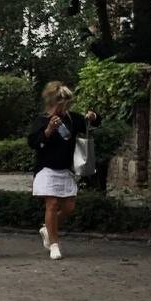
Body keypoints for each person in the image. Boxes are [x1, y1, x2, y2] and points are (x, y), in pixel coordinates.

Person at [28, 82, 98, 260]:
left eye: (69, 102)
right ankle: (54, 244)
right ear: (54, 102)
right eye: (64, 103)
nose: (67, 106)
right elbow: (34, 143)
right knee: (51, 205)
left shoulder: (72, 119)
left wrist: (93, 117)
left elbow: (91, 125)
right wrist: (49, 130)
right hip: (46, 169)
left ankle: (47, 229)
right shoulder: (42, 120)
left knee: (69, 207)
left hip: (65, 169)